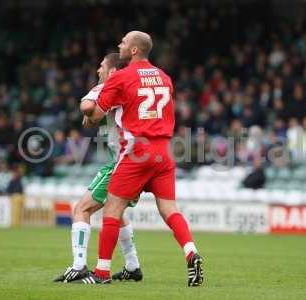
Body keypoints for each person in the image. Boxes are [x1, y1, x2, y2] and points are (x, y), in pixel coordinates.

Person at [77, 31, 203, 286]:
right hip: (164, 152)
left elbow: (96, 114)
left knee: (113, 210)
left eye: (123, 42)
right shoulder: (164, 77)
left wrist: (88, 110)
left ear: (133, 50)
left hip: (136, 151)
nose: (119, 45)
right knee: (169, 209)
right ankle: (191, 251)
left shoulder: (121, 77)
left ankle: (101, 273)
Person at [54, 53, 142, 283]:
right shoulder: (129, 89)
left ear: (113, 72)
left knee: (81, 209)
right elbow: (91, 118)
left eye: (102, 66)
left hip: (121, 163)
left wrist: (93, 103)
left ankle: (79, 265)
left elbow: (86, 109)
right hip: (137, 159)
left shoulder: (108, 87)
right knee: (116, 211)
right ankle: (132, 265)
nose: (98, 70)